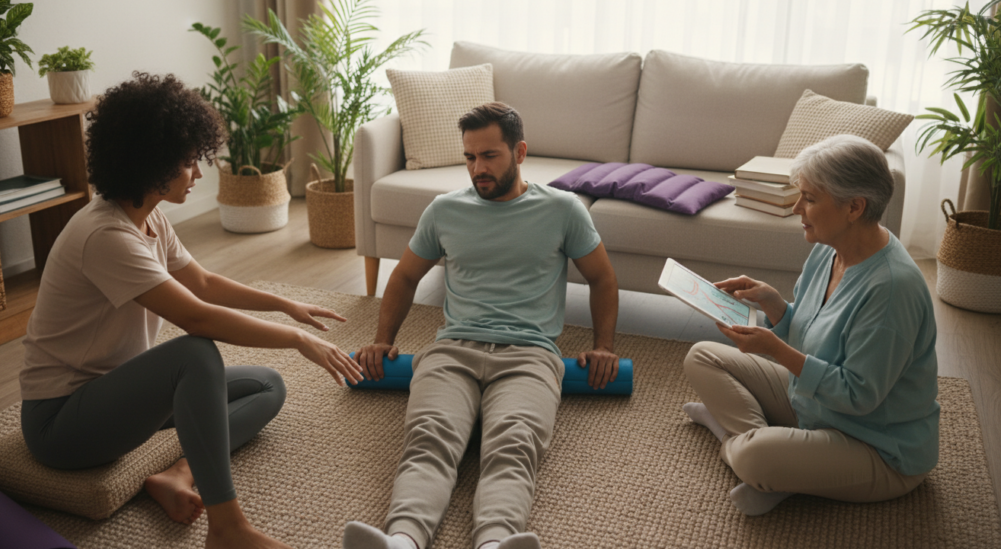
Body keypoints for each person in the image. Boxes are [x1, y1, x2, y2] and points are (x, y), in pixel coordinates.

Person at [19, 72, 364, 549]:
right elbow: (197, 317)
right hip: (60, 422)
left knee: (267, 385)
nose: (197, 174)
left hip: (116, 391)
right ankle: (227, 529)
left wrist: (286, 307)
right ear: (151, 165)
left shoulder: (147, 216)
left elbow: (202, 282)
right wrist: (297, 339)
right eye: (187, 164)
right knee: (194, 354)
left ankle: (178, 474)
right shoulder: (105, 236)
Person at [342, 102, 620, 549]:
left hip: (530, 355)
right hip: (453, 350)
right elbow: (406, 276)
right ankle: (402, 541)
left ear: (520, 152)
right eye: (470, 157)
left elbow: (602, 277)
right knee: (429, 438)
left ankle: (494, 542)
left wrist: (604, 345)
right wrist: (381, 341)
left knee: (512, 446)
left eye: (489, 156)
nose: (478, 169)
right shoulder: (444, 210)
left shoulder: (564, 210)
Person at [682, 134, 939, 516]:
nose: (797, 207)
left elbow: (859, 396)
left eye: (810, 198)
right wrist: (774, 304)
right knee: (701, 356)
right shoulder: (827, 249)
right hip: (815, 408)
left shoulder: (891, 289)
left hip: (878, 446)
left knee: (756, 458)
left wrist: (776, 351)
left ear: (854, 207)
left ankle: (746, 447)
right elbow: (811, 333)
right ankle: (781, 460)